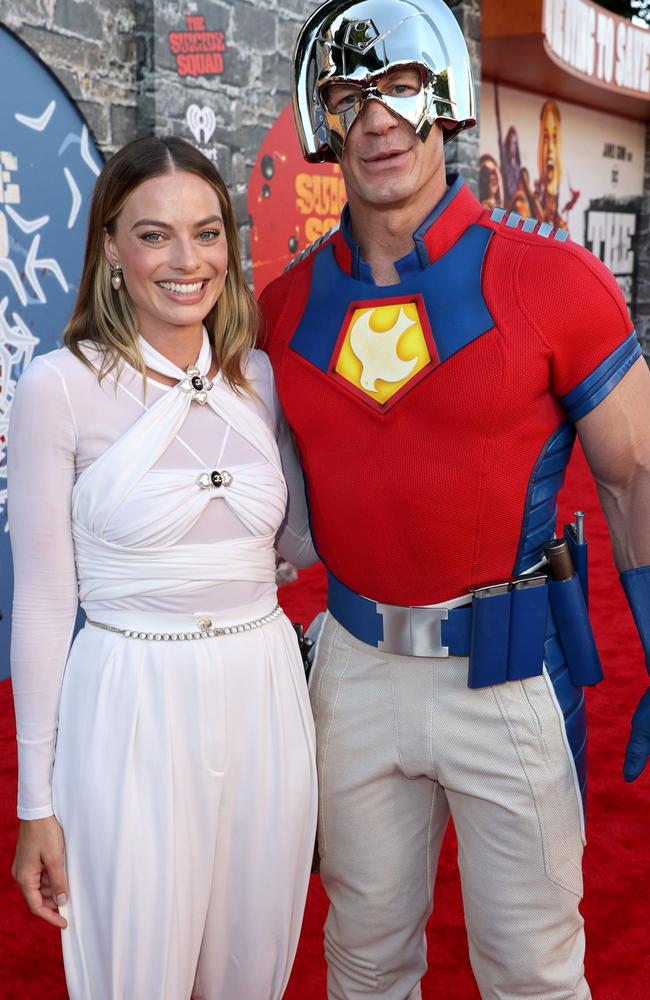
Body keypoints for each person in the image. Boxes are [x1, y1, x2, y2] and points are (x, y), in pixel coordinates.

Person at [260, 1, 650, 998]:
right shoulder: (282, 308)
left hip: (506, 672)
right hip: (348, 673)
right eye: (348, 96)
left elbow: (634, 471)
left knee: (530, 969)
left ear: (441, 102)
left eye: (395, 88)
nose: (376, 119)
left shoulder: (553, 279)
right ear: (323, 122)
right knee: (362, 958)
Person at [9, 135, 318, 1000]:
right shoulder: (57, 387)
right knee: (132, 977)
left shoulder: (259, 374)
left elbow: (299, 540)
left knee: (252, 974)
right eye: (154, 235)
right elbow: (38, 604)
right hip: (128, 704)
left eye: (208, 232)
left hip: (264, 694)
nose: (188, 261)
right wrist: (36, 802)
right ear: (109, 245)